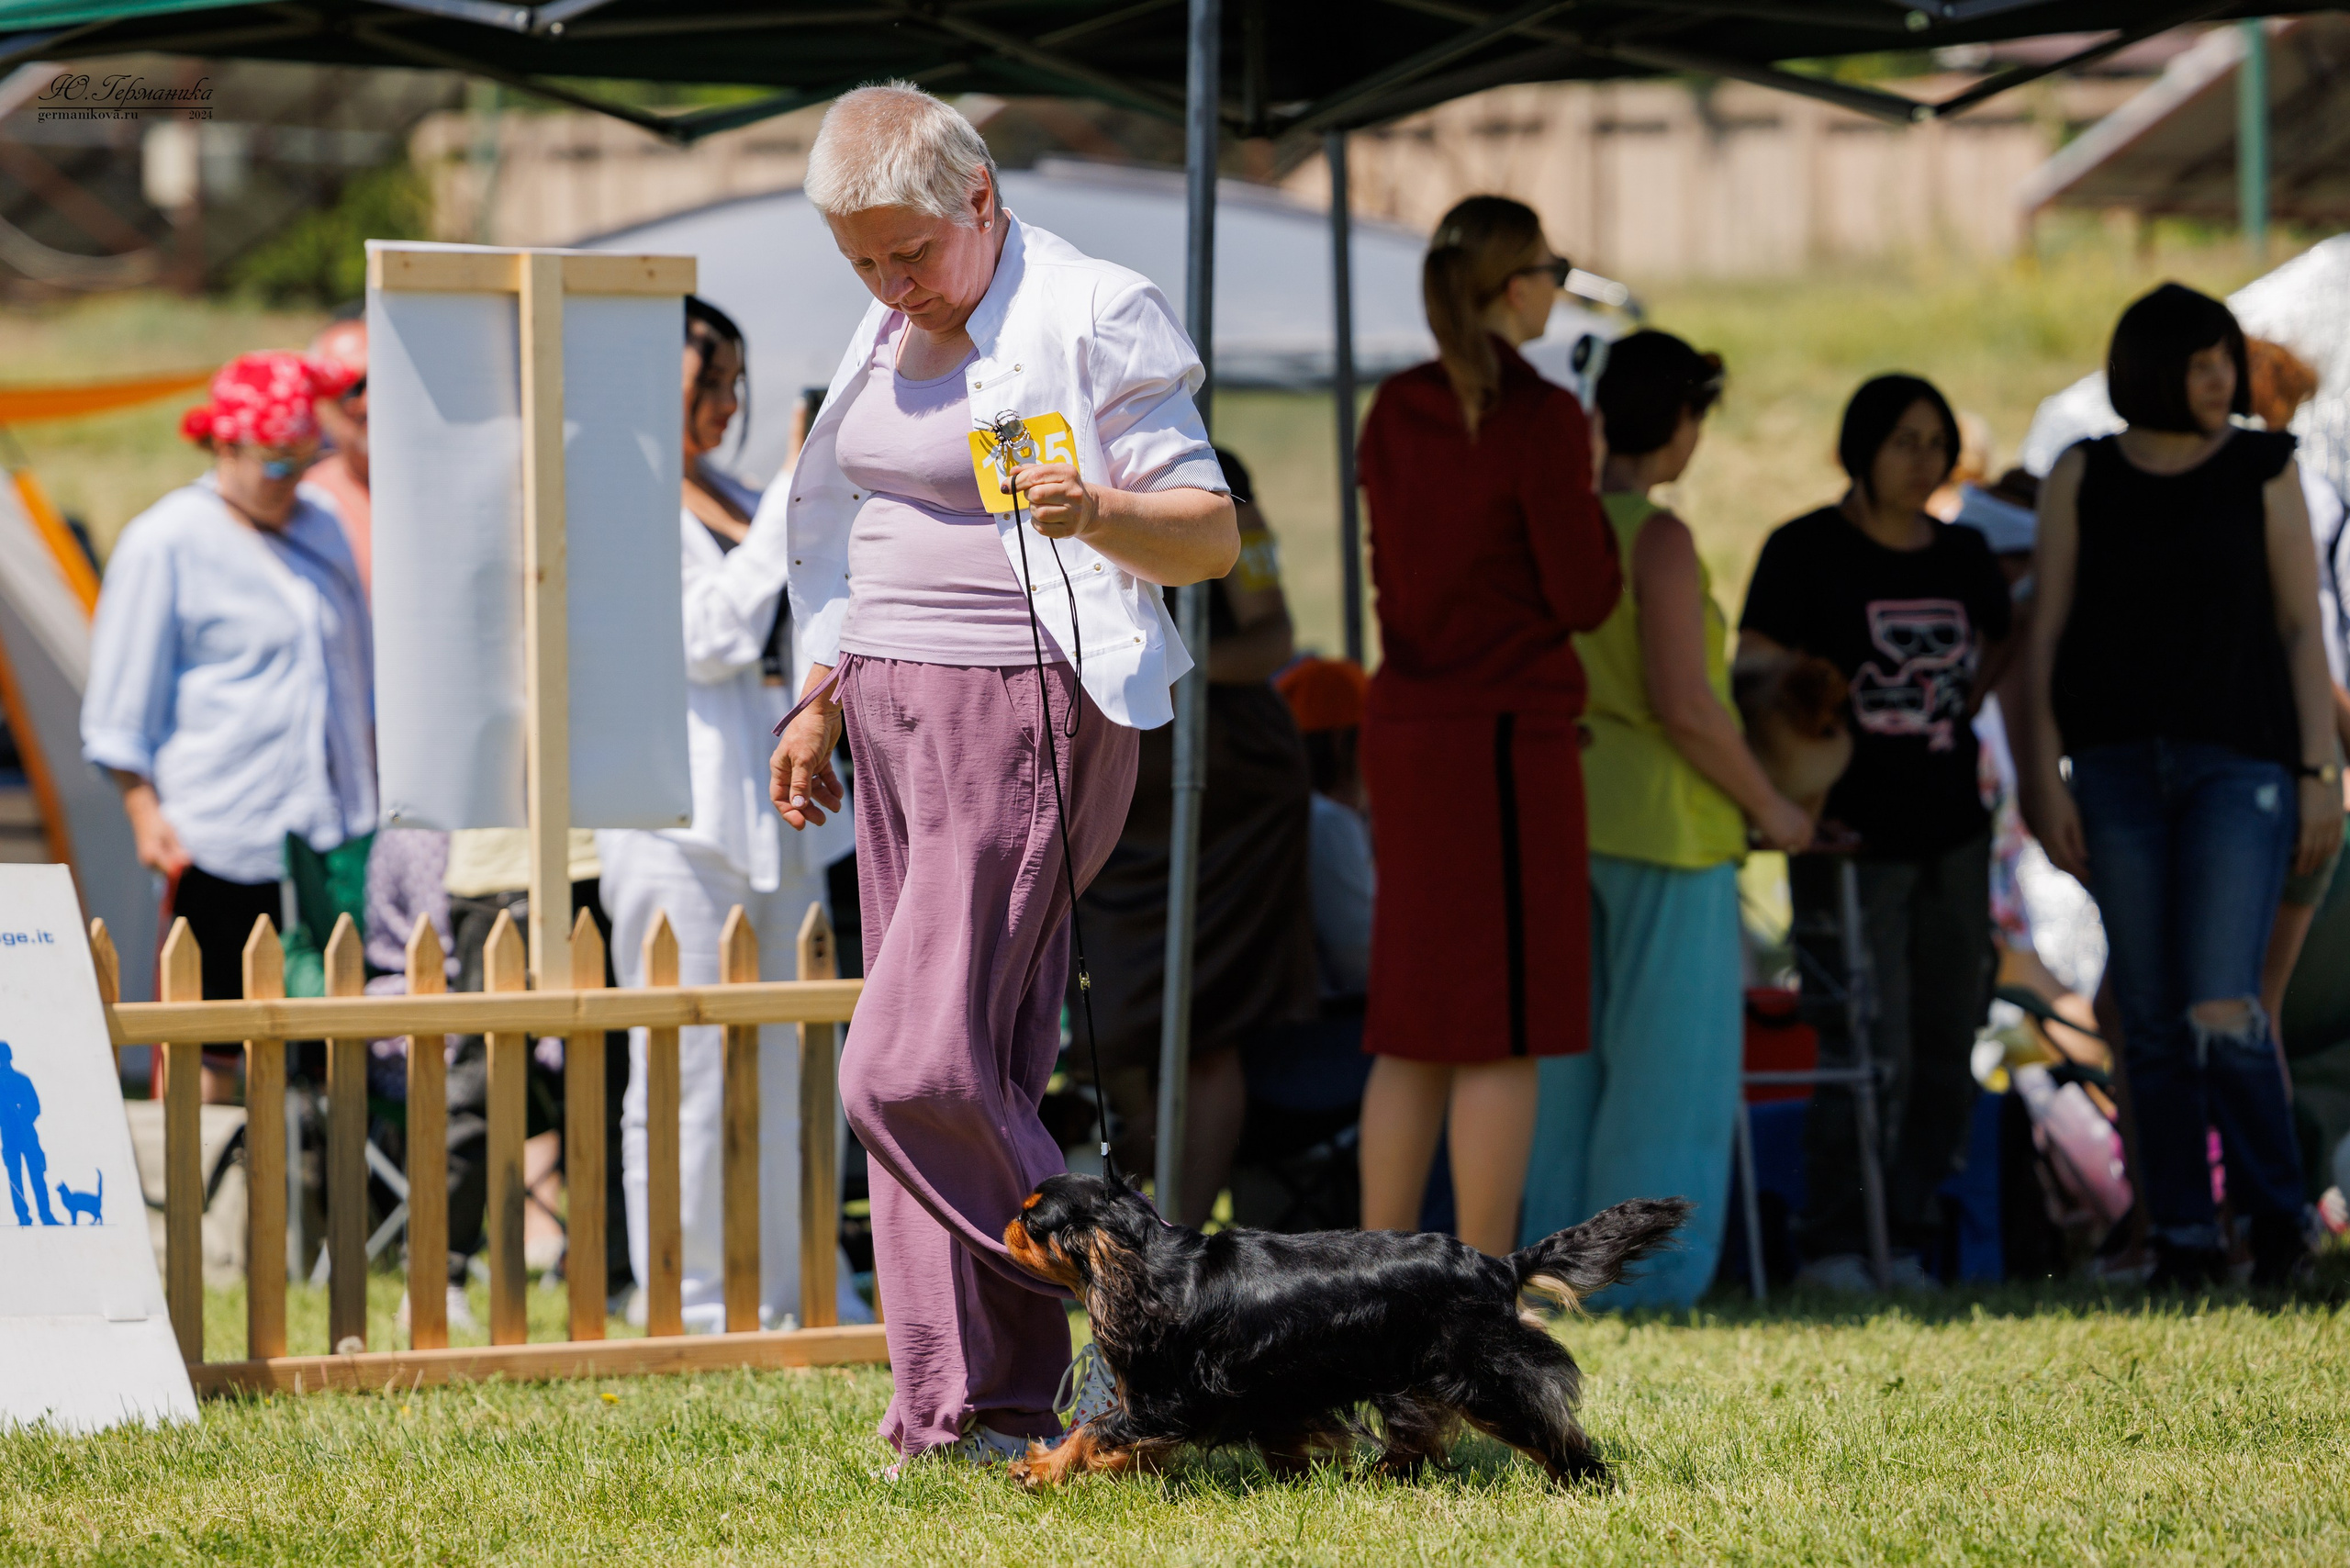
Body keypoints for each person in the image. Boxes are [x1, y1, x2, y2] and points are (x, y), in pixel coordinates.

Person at [763, 84, 1237, 1467]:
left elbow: (1208, 535)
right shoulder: (890, 311)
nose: (890, 283)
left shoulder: (1096, 307)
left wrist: (1102, 510)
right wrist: (820, 694)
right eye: (861, 263)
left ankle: (1152, 1322)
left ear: (980, 197)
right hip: (891, 710)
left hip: (1022, 712)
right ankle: (962, 1412)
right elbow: (851, 523)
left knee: (901, 1071)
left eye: (908, 252)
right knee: (971, 1063)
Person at [2019, 285, 2344, 1289]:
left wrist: (2320, 773)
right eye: (2201, 363)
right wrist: (2039, 774)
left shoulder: (2265, 466)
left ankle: (2276, 1222)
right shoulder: (2083, 472)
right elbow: (2046, 631)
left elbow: (2301, 630)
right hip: (2113, 772)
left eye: (2224, 364)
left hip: (2239, 770)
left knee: (2223, 1004)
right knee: (2149, 1018)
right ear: (2152, 365)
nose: (2219, 382)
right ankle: (2185, 1239)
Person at [1353, 195, 1622, 1259]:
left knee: (1412, 1024)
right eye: (1552, 267)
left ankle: (1366, 1280)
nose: (1558, 284)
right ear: (1515, 286)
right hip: (1506, 738)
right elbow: (1585, 591)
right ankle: (1477, 1288)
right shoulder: (1541, 418)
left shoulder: (1393, 411)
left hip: (1410, 730)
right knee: (1502, 1030)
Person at [1520, 330, 1812, 1307]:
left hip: (1566, 812)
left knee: (1561, 1069)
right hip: (1668, 828)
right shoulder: (1659, 536)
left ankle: (1546, 1269)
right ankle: (1644, 1280)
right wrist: (1772, 805)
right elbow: (1686, 703)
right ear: (1684, 425)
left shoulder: (1554, 525)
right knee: (1667, 1075)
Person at [599, 296, 856, 1332]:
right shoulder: (617, 494)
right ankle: (694, 1301)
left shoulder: (738, 491)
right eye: (707, 382)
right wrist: (795, 492)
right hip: (676, 825)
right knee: (690, 1076)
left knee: (799, 1069)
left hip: (781, 817)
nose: (727, 402)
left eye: (735, 383)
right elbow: (706, 631)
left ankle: (802, 1289)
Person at [1738, 373, 2013, 1293]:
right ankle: (1835, 1241)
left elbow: (2005, 641)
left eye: (1935, 440)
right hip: (1846, 836)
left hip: (1951, 828)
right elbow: (1752, 667)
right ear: (1858, 447)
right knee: (1862, 1038)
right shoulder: (1805, 549)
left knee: (1945, 1036)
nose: (1921, 457)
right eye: (1901, 439)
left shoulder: (1965, 553)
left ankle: (1911, 1233)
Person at [82, 350, 375, 1102]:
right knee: (211, 1036)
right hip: (221, 832)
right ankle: (209, 1202)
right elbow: (120, 701)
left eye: (303, 463)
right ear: (225, 446)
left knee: (321, 1033)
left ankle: (316, 1200)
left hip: (329, 829)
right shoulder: (168, 540)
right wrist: (145, 812)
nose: (290, 484)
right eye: (274, 467)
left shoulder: (324, 525)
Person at [1066, 445, 1316, 1226]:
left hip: (1224, 796)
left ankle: (1179, 1237)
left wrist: (1155, 661)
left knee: (1206, 1025)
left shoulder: (1222, 489)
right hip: (1121, 793)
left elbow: (1272, 640)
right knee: (1123, 1024)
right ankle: (1149, 1221)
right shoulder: (1057, 476)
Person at [2244, 338, 2350, 1027]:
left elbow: (2305, 631)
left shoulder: (2284, 483)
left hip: (2296, 741)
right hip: (2305, 740)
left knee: (2260, 1002)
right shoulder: (2294, 479)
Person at [302, 309, 373, 593]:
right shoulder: (302, 503)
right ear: (318, 407)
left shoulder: (451, 488)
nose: (369, 402)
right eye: (351, 389)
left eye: (380, 382)